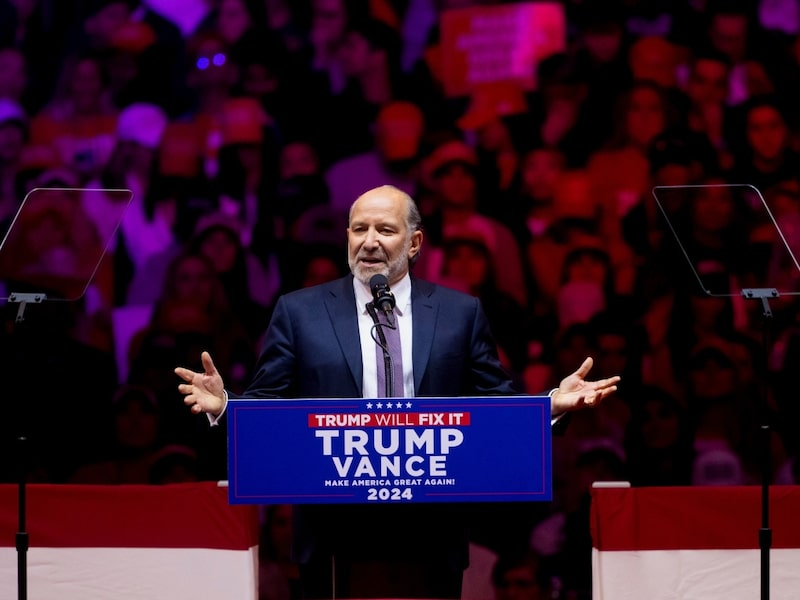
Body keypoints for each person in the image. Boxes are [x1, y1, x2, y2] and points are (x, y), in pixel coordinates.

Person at [175, 184, 620, 599]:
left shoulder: (459, 313)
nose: (369, 241)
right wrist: (226, 406)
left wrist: (548, 406)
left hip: (431, 530)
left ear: (414, 243)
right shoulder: (300, 312)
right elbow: (268, 407)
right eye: (359, 229)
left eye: (385, 230)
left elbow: (494, 405)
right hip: (333, 533)